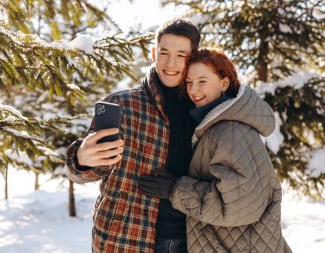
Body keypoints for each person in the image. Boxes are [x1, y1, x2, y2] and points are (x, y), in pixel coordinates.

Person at [66, 18, 200, 252]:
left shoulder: (202, 111)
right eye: (164, 52)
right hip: (124, 239)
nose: (170, 63)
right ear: (153, 53)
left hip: (190, 241)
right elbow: (82, 174)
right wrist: (81, 159)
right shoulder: (122, 104)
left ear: (193, 58)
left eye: (181, 55)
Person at [139, 48, 292, 252]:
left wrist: (176, 190)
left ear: (224, 83)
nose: (194, 90)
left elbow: (238, 204)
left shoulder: (230, 130)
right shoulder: (213, 126)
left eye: (202, 81)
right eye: (189, 82)